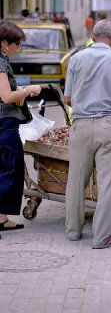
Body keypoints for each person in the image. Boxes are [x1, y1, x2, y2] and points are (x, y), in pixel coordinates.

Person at [64, 19, 111, 249]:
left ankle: (73, 231)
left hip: (81, 125)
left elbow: (67, 99)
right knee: (106, 184)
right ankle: (101, 237)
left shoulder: (76, 59)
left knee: (75, 181)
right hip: (108, 126)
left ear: (92, 37)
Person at [0, 21, 41, 236]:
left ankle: (3, 218)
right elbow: (6, 97)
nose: (18, 48)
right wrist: (27, 90)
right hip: (4, 125)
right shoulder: (0, 63)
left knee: (5, 169)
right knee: (9, 169)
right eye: (16, 44)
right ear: (4, 43)